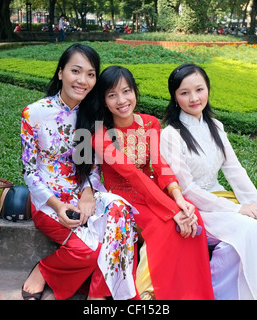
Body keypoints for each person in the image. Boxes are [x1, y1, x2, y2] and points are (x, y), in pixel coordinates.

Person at [160, 63, 257, 300]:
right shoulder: (171, 135)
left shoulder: (215, 127)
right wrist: (239, 208)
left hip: (219, 199)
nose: (194, 98)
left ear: (208, 89)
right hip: (195, 207)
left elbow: (234, 170)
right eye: (184, 93)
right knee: (246, 232)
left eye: (199, 89)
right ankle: (216, 292)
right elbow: (186, 189)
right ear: (175, 98)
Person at [21, 44, 138, 300]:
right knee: (90, 251)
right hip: (48, 200)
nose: (82, 80)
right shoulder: (34, 113)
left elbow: (90, 166)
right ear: (61, 72)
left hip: (83, 194)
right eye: (76, 71)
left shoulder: (90, 114)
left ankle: (99, 294)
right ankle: (44, 270)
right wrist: (58, 206)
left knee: (122, 209)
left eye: (90, 74)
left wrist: (88, 193)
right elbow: (29, 172)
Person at [92, 65, 214, 300]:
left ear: (135, 91)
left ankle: (192, 294)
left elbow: (160, 167)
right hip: (124, 198)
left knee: (193, 216)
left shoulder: (150, 124)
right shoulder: (101, 134)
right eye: (112, 95)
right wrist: (171, 210)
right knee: (166, 226)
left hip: (155, 192)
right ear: (103, 100)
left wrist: (179, 200)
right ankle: (146, 293)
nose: (122, 100)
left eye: (126, 91)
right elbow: (132, 175)